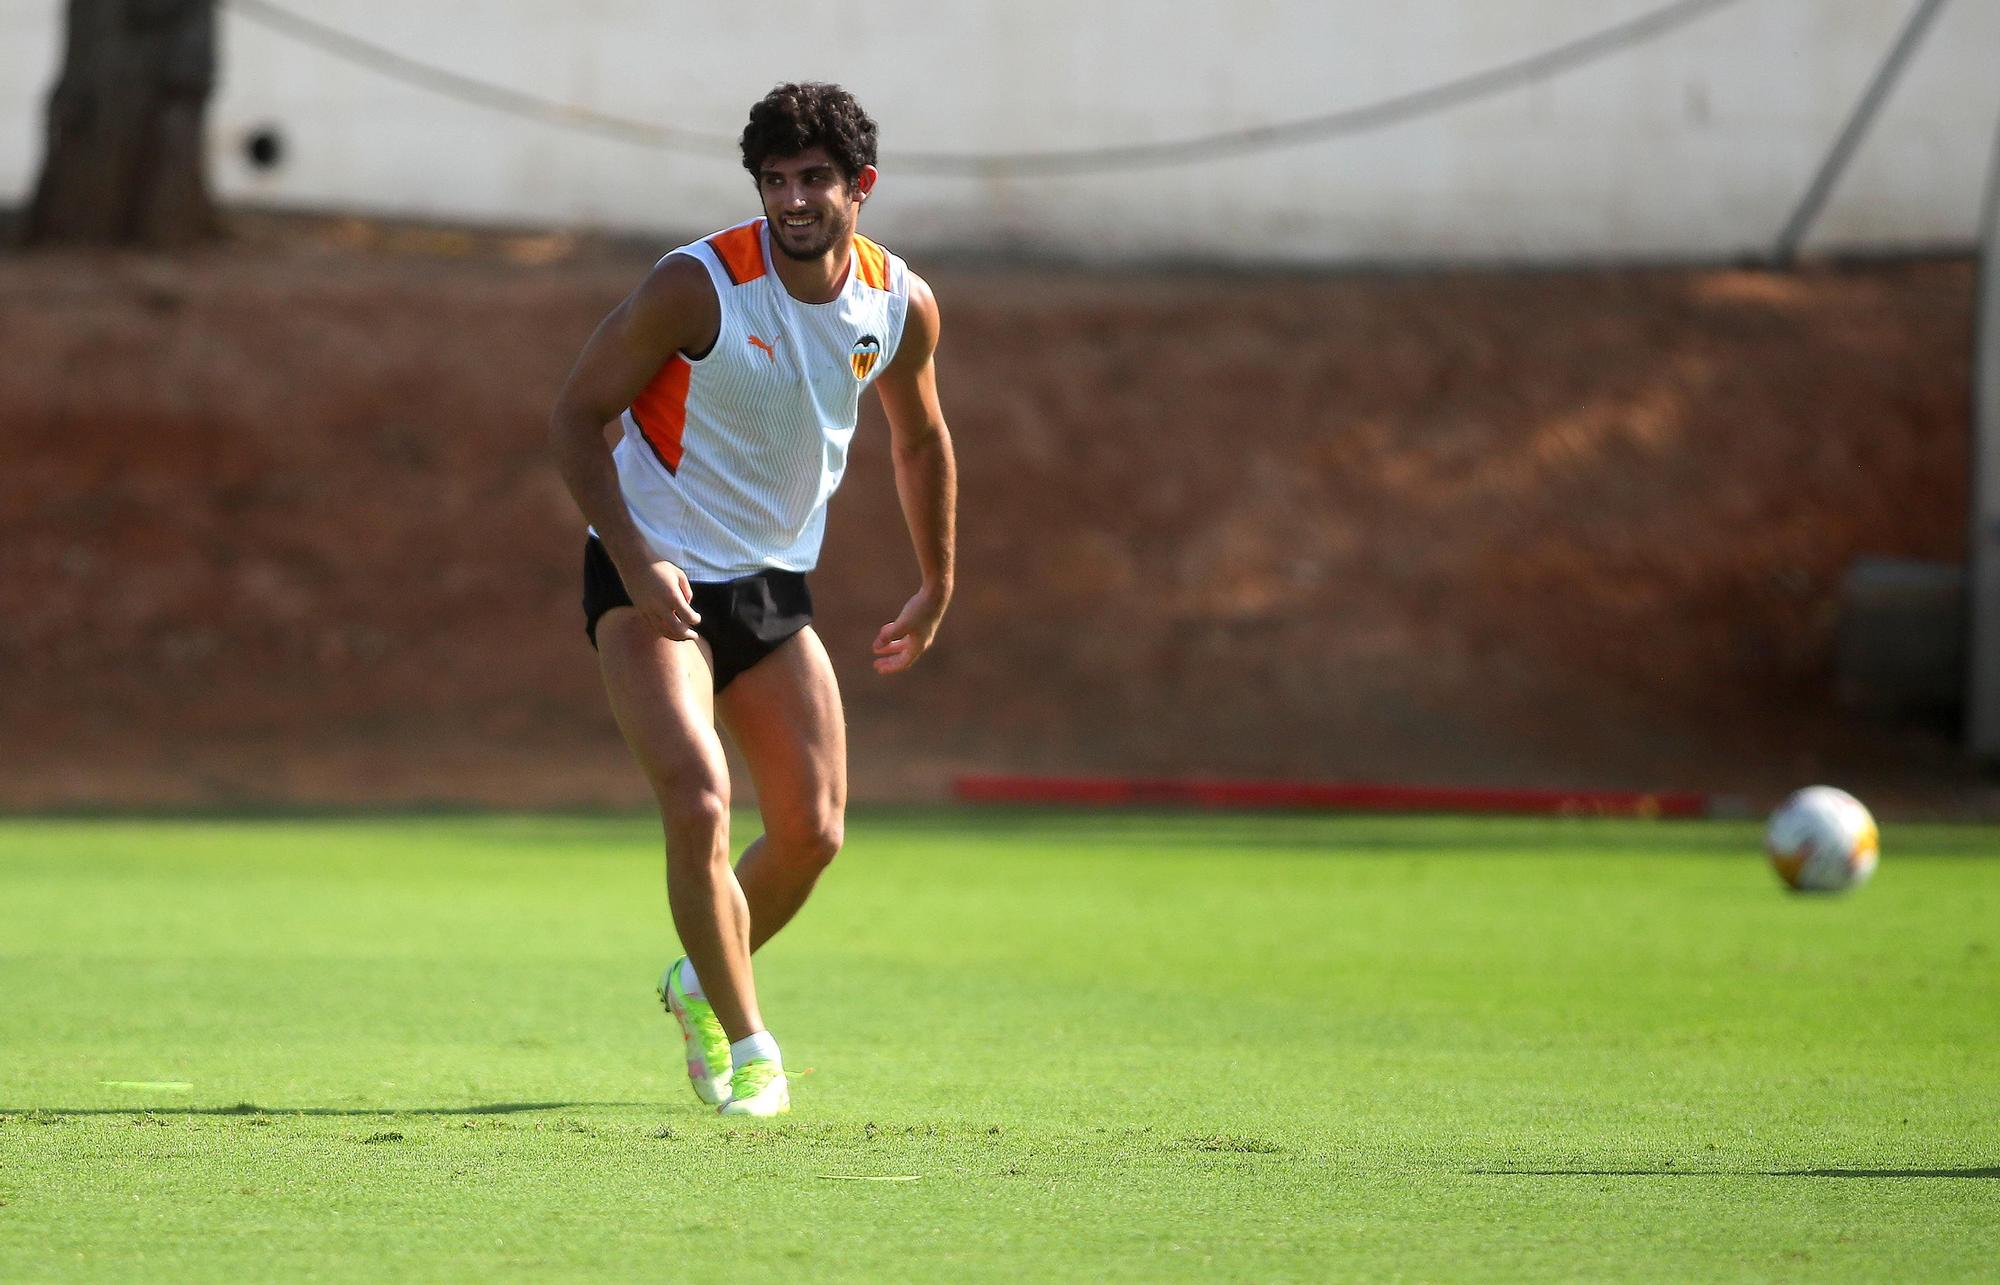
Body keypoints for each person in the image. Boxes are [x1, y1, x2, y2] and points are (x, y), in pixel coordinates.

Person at [549, 83, 956, 1117]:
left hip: (771, 588)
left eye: (813, 179)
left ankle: (695, 978)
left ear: (859, 187)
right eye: (773, 181)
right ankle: (751, 1047)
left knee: (814, 831)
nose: (791, 200)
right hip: (656, 578)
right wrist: (637, 560)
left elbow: (918, 438)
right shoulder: (697, 285)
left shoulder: (897, 303)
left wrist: (937, 578)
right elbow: (576, 416)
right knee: (696, 796)